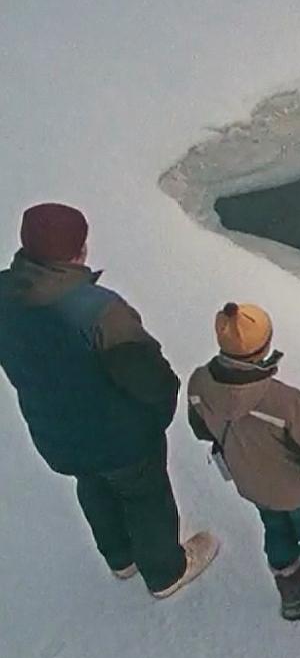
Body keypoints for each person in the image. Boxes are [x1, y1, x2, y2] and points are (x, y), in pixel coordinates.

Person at [0, 203, 217, 597]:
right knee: (144, 495)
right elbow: (149, 376)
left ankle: (120, 558)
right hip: (122, 438)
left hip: (54, 431)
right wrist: (159, 413)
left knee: (91, 481)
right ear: (78, 252)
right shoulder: (98, 311)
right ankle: (165, 572)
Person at [186, 302, 300, 629]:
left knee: (275, 529)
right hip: (297, 488)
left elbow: (201, 427)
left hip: (252, 484)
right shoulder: (283, 401)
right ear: (264, 347)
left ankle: (292, 596)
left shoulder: (200, 382)